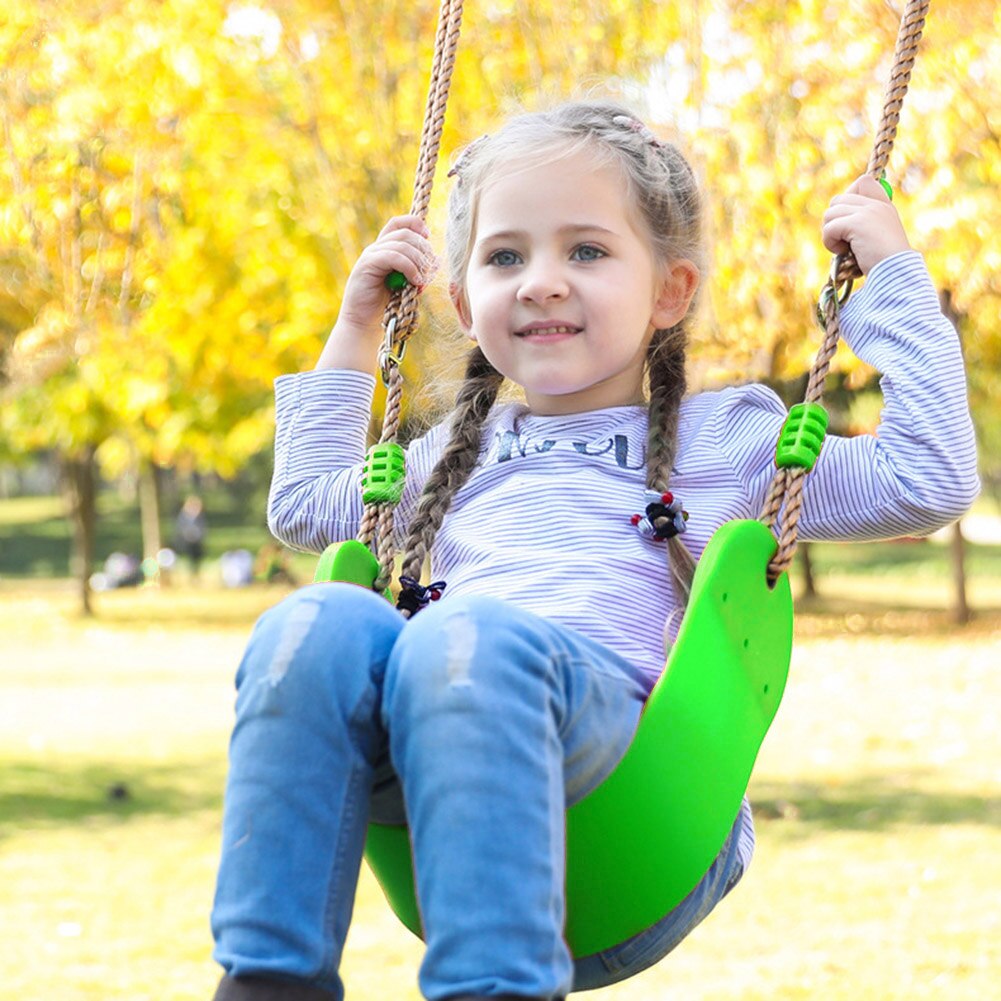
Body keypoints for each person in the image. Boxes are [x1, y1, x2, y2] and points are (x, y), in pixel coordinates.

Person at [209, 101, 979, 1001]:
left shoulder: (724, 438)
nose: (539, 280)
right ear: (461, 301)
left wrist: (889, 281)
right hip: (436, 777)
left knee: (468, 641)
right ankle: (269, 978)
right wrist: (353, 330)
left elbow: (927, 477)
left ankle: (490, 987)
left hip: (629, 789)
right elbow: (302, 503)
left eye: (585, 250)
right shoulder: (442, 461)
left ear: (670, 290)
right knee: (315, 623)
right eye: (504, 256)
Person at [175, 494, 208, 581]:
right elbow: (180, 527)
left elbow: (203, 528)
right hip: (188, 541)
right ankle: (191, 576)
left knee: (197, 559)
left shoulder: (199, 516)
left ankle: (196, 575)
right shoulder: (183, 516)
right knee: (190, 559)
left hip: (197, 541)